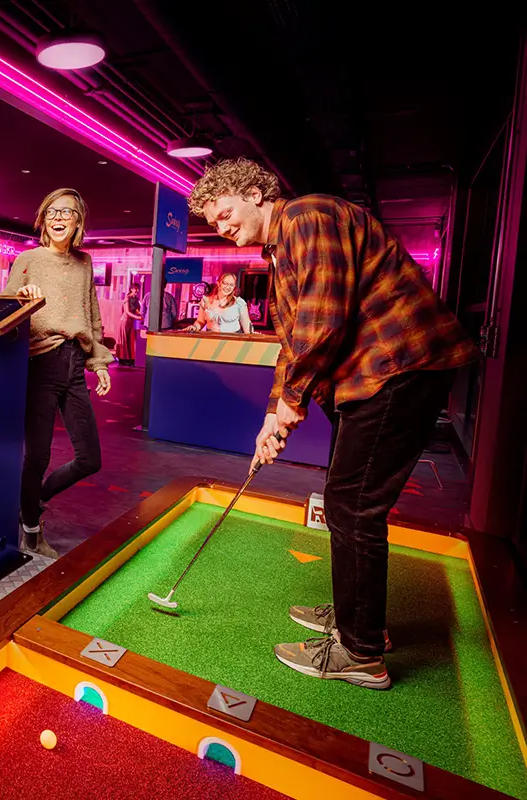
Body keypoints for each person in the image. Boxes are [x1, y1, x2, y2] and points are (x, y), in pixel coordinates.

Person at [189, 157, 478, 689]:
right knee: (348, 498)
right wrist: (275, 412)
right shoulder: (280, 250)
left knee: (352, 502)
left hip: (397, 366)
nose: (222, 229)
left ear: (255, 193)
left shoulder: (305, 216)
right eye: (214, 224)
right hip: (378, 375)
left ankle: (361, 652)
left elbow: (324, 318)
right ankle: (358, 619)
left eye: (226, 214)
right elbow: (294, 339)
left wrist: (291, 402)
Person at [5, 188, 113, 558]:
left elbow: (92, 315)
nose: (58, 217)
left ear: (78, 220)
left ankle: (29, 503)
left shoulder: (84, 263)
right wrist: (24, 299)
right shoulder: (28, 259)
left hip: (74, 362)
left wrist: (98, 362)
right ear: (42, 218)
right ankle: (31, 531)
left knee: (90, 459)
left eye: (66, 211)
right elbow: (4, 311)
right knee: (36, 457)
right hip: (40, 363)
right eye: (51, 210)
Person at [186, 272, 252, 334]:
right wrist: (194, 327)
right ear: (218, 283)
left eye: (231, 285)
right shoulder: (206, 301)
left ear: (234, 287)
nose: (228, 287)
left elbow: (246, 325)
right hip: (212, 340)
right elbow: (200, 321)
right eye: (225, 283)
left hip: (232, 340)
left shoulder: (239, 303)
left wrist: (253, 335)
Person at [117, 284, 143, 365]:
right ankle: (122, 359)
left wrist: (141, 315)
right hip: (125, 321)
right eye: (135, 289)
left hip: (131, 322)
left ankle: (130, 359)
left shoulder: (136, 299)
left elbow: (137, 310)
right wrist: (137, 317)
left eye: (138, 289)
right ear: (131, 289)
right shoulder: (127, 298)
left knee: (131, 340)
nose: (137, 291)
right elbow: (127, 312)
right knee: (124, 340)